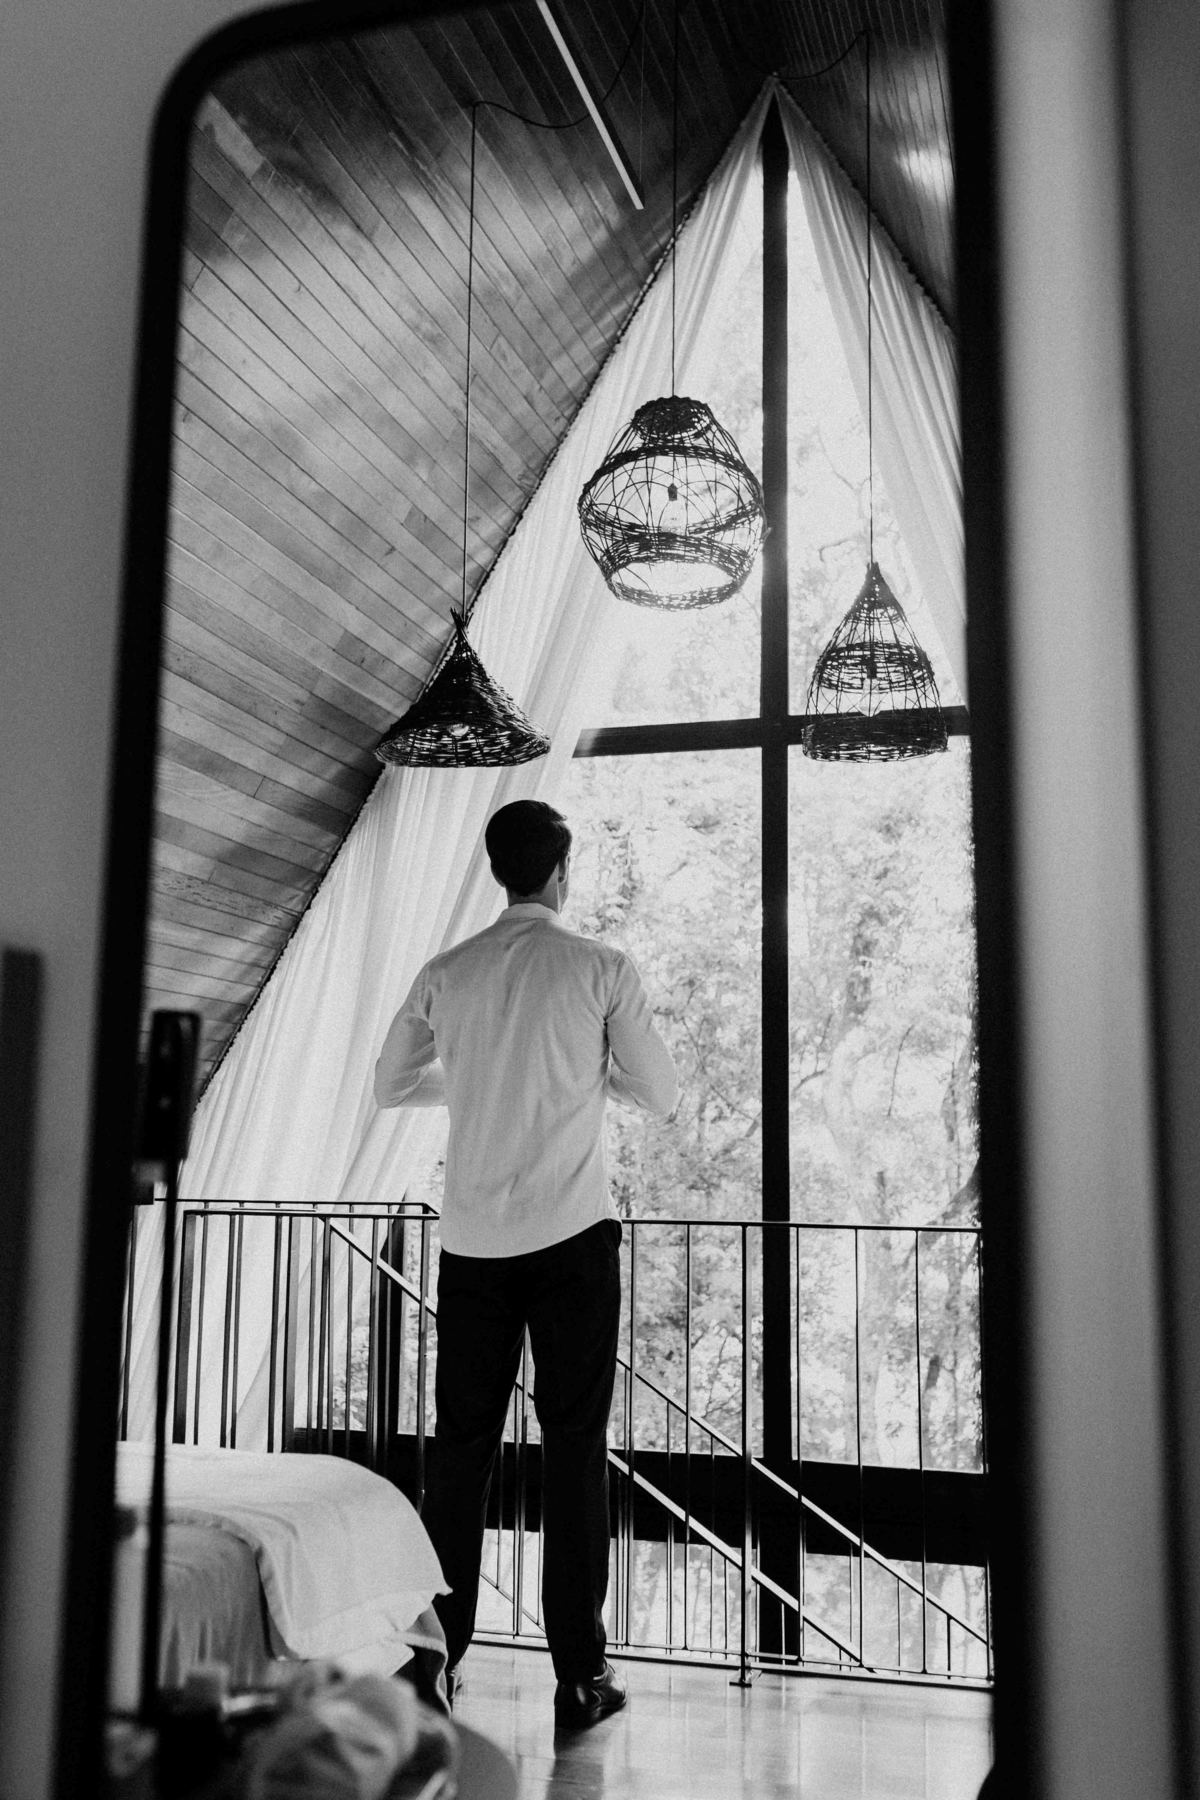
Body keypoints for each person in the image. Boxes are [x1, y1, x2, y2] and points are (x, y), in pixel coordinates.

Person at [374, 798, 677, 1730]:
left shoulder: (446, 972)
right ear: (561, 872)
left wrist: (474, 1081)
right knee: (575, 1451)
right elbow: (660, 1094)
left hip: (473, 1248)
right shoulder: (600, 967)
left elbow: (389, 1085)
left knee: (459, 1454)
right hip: (571, 1242)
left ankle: (435, 1665)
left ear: (499, 871)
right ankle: (580, 1676)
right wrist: (585, 1076)